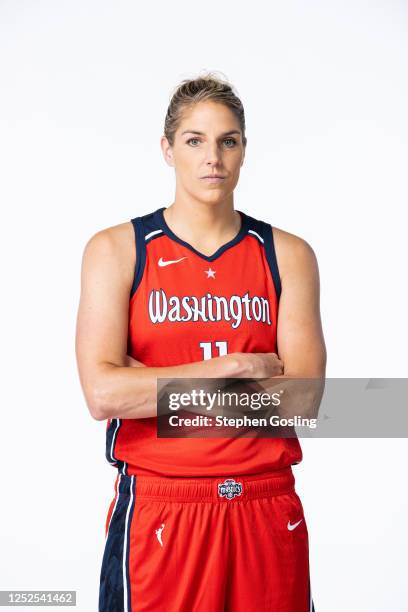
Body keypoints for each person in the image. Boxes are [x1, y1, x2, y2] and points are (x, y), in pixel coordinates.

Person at [75, 72, 326, 612]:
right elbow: (103, 396)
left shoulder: (288, 255)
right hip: (163, 507)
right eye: (195, 140)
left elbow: (305, 401)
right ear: (168, 149)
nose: (213, 156)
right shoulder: (117, 251)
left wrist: (153, 386)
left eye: (227, 141)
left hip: (266, 503)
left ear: (243, 150)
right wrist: (235, 368)